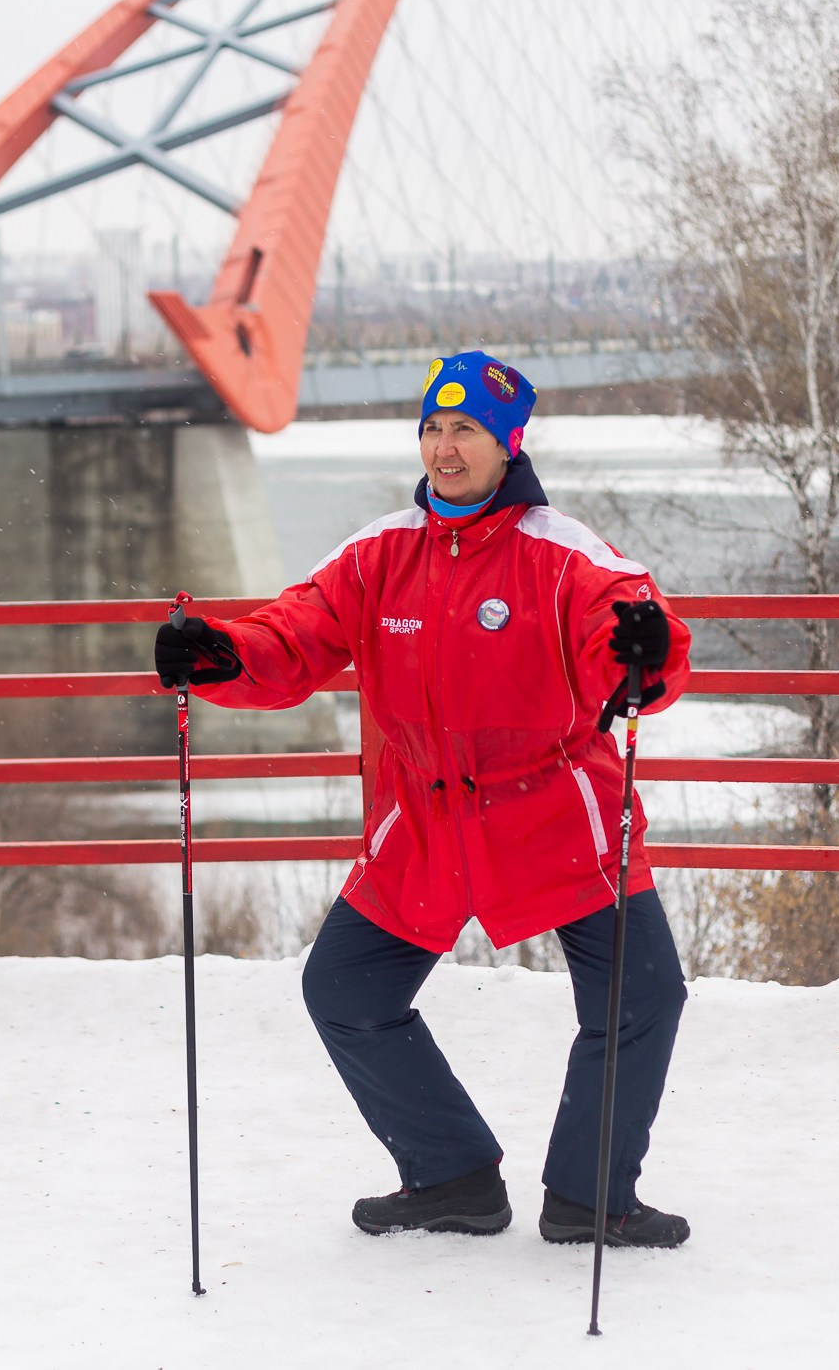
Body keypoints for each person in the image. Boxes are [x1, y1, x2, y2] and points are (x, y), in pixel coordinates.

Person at [155, 350, 692, 1248]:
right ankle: (451, 1176)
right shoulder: (379, 552)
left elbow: (627, 618)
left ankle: (592, 1194)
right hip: (425, 822)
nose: (445, 450)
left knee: (644, 998)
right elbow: (293, 634)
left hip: (556, 814)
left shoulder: (558, 550)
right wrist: (221, 653)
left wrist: (646, 653)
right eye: (434, 429)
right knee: (344, 989)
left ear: (507, 443)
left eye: (466, 431)